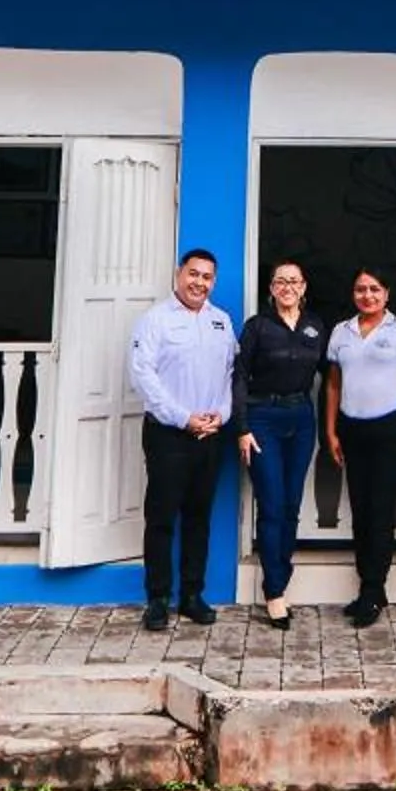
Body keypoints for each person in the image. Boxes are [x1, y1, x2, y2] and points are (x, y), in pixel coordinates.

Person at [126, 247, 235, 632]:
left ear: (213, 282)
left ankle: (191, 595)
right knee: (161, 518)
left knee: (198, 518)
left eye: (207, 277)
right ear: (179, 274)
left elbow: (229, 375)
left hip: (209, 434)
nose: (199, 283)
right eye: (193, 274)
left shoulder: (221, 321)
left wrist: (221, 415)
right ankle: (157, 599)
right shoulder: (154, 320)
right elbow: (143, 377)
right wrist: (183, 418)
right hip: (168, 434)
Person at [323, 266, 396, 629]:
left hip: (390, 428)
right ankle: (370, 585)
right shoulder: (341, 332)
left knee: (380, 510)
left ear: (387, 294)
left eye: (375, 289)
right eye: (361, 289)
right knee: (360, 508)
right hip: (352, 428)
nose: (367, 295)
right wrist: (331, 432)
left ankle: (373, 589)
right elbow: (333, 386)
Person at [236, 260, 331, 630]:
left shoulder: (315, 326)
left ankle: (281, 576)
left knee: (291, 504)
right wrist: (242, 428)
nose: (287, 287)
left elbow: (332, 375)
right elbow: (239, 377)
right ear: (271, 288)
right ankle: (274, 591)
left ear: (303, 286)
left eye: (294, 281)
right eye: (280, 281)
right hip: (263, 419)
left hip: (301, 419)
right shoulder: (257, 327)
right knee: (272, 504)